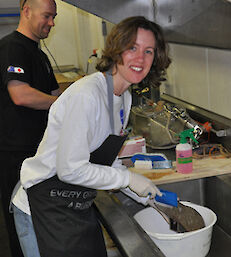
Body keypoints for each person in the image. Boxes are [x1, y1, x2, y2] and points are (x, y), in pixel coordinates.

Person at [12, 16, 171, 257]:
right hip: (42, 207)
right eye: (132, 48)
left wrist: (143, 192)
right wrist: (127, 179)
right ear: (117, 50)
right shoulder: (87, 95)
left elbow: (105, 159)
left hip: (74, 204)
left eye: (148, 51)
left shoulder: (123, 98)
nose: (140, 58)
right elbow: (69, 170)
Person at [0, 0, 59, 256]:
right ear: (26, 11)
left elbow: (55, 92)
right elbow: (20, 95)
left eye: (54, 17)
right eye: (47, 15)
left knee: (37, 225)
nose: (52, 22)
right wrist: (62, 103)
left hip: (37, 152)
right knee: (21, 223)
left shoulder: (39, 54)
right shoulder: (12, 47)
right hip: (15, 154)